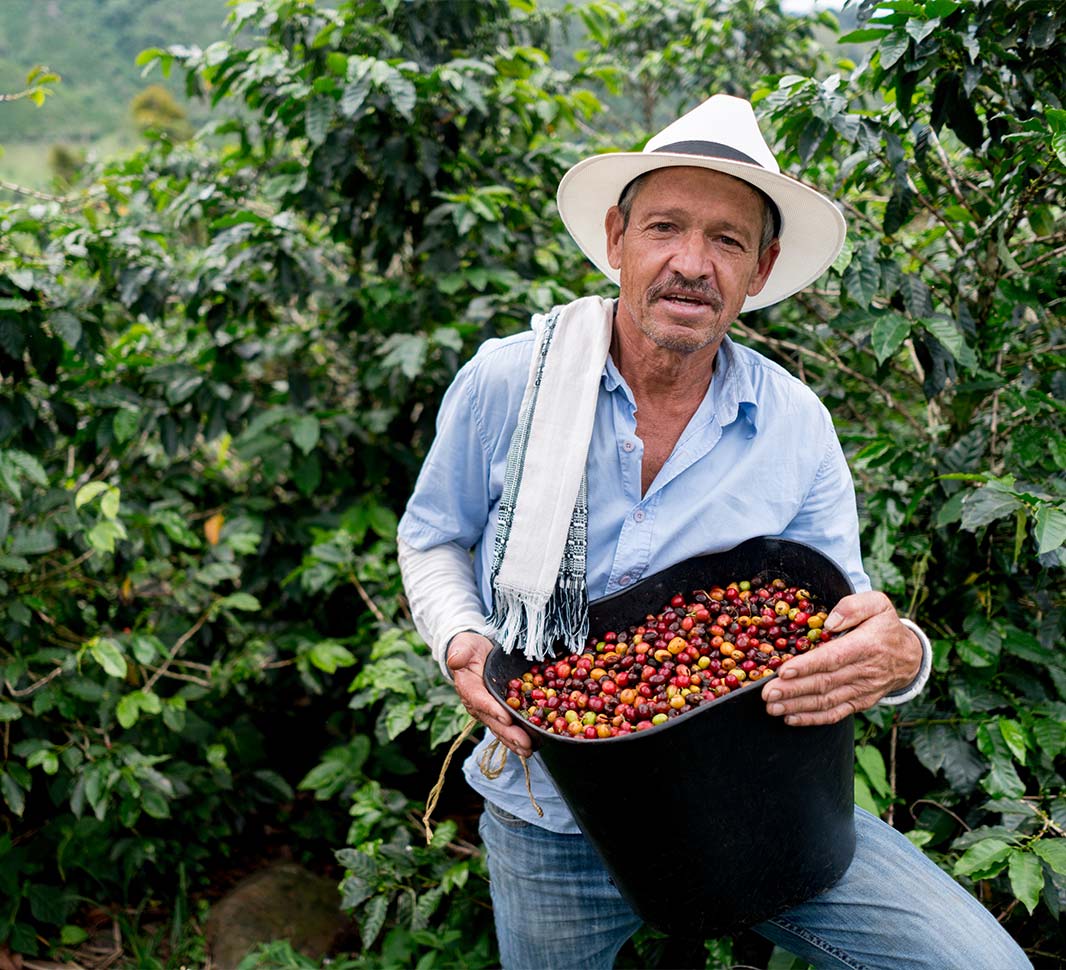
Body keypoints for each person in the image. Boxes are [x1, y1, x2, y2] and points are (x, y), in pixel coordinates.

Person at [397, 95, 1031, 970]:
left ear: (760, 269)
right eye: (665, 227)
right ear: (617, 238)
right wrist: (461, 640)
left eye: (728, 241)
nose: (692, 264)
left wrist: (902, 654)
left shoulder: (793, 425)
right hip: (554, 811)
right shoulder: (511, 384)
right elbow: (432, 535)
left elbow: (841, 620)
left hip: (757, 803)